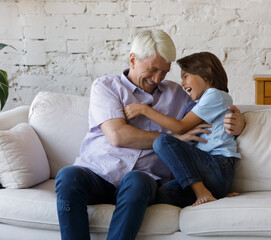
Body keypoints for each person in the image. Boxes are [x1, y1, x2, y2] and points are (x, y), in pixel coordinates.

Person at [55, 29, 245, 240]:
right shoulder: (106, 86)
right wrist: (172, 140)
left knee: (137, 181)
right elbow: (118, 136)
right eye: (153, 69)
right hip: (98, 173)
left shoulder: (177, 95)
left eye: (164, 72)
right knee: (67, 175)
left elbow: (211, 110)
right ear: (133, 59)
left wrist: (239, 121)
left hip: (144, 180)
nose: (157, 78)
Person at [124, 52, 241, 207]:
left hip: (218, 165)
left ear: (207, 73)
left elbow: (180, 127)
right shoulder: (201, 103)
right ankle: (215, 194)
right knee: (163, 194)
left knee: (162, 141)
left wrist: (144, 110)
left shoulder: (215, 95)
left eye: (185, 76)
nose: (182, 83)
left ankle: (201, 192)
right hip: (205, 174)